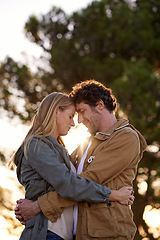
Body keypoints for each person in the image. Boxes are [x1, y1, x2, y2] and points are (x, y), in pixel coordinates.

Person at [13, 91, 134, 240]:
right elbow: (70, 185)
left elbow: (76, 182)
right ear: (56, 111)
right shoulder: (37, 145)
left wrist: (36, 205)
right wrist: (112, 195)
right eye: (71, 116)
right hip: (48, 232)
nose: (74, 122)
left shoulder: (60, 149)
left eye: (81, 113)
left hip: (65, 234)